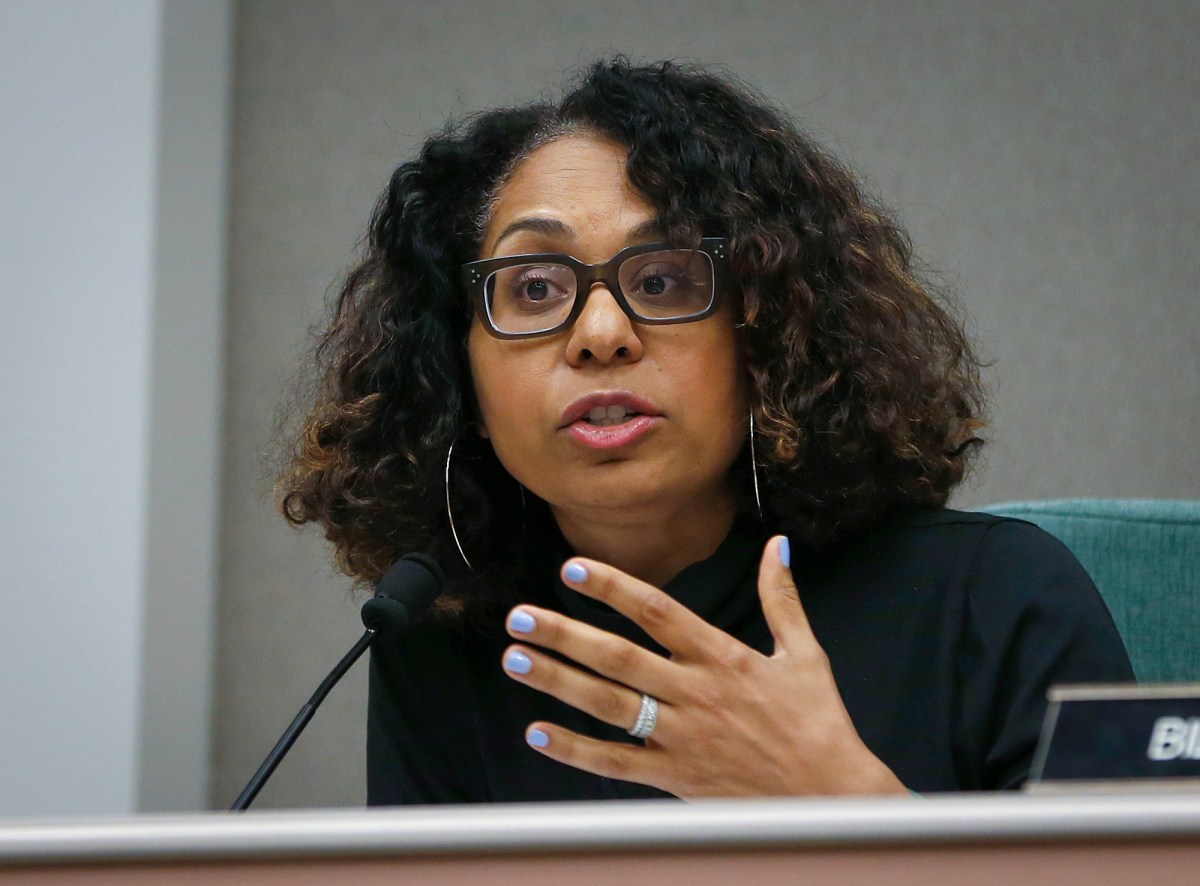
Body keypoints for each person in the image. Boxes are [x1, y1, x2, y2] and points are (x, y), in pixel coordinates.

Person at [278, 58, 1133, 804]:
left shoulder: (998, 598)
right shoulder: (444, 643)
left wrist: (843, 804)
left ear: (766, 331)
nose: (600, 332)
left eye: (663, 277)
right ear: (456, 368)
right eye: (534, 287)